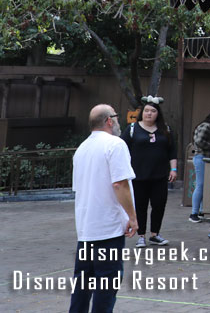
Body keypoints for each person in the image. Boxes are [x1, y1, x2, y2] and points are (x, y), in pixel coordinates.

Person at [69, 104, 138, 313]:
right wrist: (132, 217)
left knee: (82, 286)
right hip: (108, 228)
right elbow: (120, 184)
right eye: (116, 117)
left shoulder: (81, 149)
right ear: (109, 120)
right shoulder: (115, 145)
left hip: (86, 229)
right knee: (106, 287)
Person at [121, 95, 177, 248]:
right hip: (138, 176)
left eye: (153, 111)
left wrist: (173, 168)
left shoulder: (166, 129)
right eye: (146, 111)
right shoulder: (132, 129)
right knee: (140, 206)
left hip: (159, 176)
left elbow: (172, 151)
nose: (149, 114)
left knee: (159, 205)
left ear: (158, 113)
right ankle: (141, 235)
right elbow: (121, 149)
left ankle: (155, 234)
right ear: (142, 112)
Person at [190, 108, 210, 223]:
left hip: (203, 158)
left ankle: (201, 211)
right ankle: (194, 213)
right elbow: (199, 141)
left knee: (203, 185)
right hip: (202, 157)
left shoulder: (206, 125)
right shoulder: (207, 126)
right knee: (201, 185)